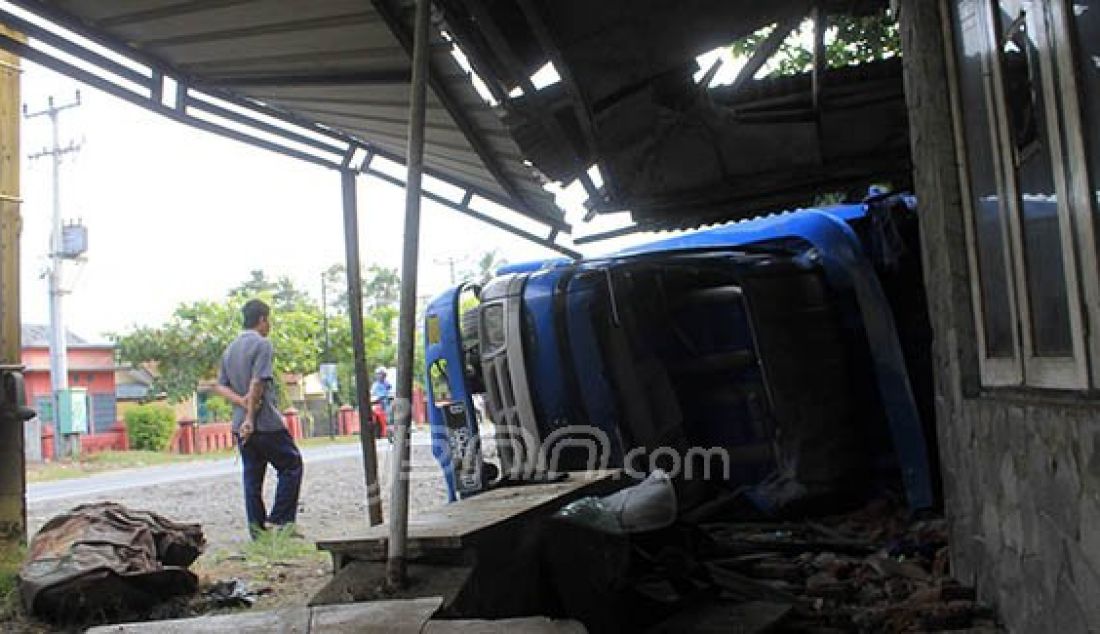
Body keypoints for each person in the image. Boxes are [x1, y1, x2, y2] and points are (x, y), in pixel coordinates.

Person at [213, 299, 303, 538]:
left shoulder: (230, 349)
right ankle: (281, 521)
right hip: (264, 423)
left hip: (239, 424)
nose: (269, 325)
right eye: (268, 320)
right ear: (262, 319)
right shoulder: (262, 345)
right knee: (291, 465)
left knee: (252, 477)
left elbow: (220, 386)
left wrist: (240, 403)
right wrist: (250, 416)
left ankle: (257, 530)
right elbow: (258, 382)